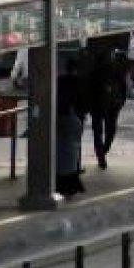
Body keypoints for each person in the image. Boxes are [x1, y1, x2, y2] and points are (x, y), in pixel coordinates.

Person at [86, 49, 125, 170]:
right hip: (112, 106)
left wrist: (89, 106)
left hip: (97, 107)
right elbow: (123, 88)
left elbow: (88, 92)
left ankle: (101, 156)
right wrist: (120, 102)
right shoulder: (115, 70)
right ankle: (103, 151)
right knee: (111, 130)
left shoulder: (93, 73)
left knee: (97, 132)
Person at [56, 62, 85, 197]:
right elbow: (82, 100)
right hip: (72, 117)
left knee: (59, 149)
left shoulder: (59, 81)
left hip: (58, 117)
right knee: (72, 150)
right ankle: (71, 178)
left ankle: (59, 180)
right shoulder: (79, 82)